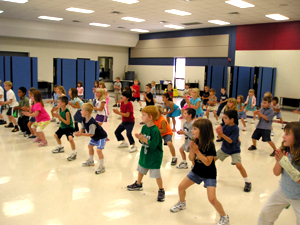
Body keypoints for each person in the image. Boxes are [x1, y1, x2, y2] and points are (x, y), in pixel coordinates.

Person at [170, 119, 230, 225]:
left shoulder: (210, 145)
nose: (192, 131)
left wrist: (197, 151)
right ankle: (182, 203)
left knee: (212, 199)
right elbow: (191, 158)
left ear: (203, 131)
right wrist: (192, 150)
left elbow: (208, 162)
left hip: (209, 175)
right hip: (196, 172)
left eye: (195, 129)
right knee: (181, 187)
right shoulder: (196, 141)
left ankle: (224, 216)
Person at [257, 122, 300, 224]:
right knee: (265, 215)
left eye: (287, 134)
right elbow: (276, 173)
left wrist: (287, 166)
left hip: (298, 196)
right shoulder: (285, 152)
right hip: (283, 190)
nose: (283, 136)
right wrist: (280, 162)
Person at [127, 106, 165, 202]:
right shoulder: (144, 127)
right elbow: (142, 141)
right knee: (141, 168)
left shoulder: (155, 130)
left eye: (144, 115)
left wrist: (143, 138)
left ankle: (161, 189)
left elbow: (153, 145)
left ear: (150, 117)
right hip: (145, 154)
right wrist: (140, 138)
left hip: (154, 156)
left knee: (156, 174)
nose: (142, 117)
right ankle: (138, 183)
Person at [215, 110, 252, 192]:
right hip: (224, 148)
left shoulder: (235, 128)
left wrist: (222, 134)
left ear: (232, 120)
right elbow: (220, 139)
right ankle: (211, 175)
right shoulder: (225, 126)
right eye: (223, 118)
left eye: (225, 118)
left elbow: (230, 141)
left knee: (239, 165)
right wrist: (219, 133)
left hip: (234, 150)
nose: (223, 120)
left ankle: (247, 181)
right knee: (212, 160)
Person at [75, 103, 107, 174]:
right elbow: (82, 129)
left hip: (101, 137)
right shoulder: (83, 119)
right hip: (95, 136)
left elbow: (91, 134)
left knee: (99, 150)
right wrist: (79, 133)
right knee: (90, 146)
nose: (80, 111)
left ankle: (102, 166)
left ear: (87, 112)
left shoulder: (92, 123)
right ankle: (91, 161)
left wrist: (81, 134)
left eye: (82, 110)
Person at [52, 96, 77, 161]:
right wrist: (56, 115)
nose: (57, 103)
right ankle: (60, 147)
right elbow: (56, 113)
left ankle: (74, 153)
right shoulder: (60, 108)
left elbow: (68, 122)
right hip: (63, 126)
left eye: (58, 102)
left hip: (69, 127)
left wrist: (59, 117)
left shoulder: (67, 112)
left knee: (70, 139)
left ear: (63, 103)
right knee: (56, 135)